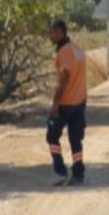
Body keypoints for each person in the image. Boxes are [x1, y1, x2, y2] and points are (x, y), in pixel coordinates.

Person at [46, 19, 88, 185]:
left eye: (53, 32)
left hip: (66, 103)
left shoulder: (64, 52)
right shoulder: (77, 50)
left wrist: (55, 104)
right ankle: (78, 174)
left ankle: (60, 172)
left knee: (52, 136)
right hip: (79, 102)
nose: (50, 35)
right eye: (49, 32)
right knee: (76, 140)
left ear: (61, 32)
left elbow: (64, 79)